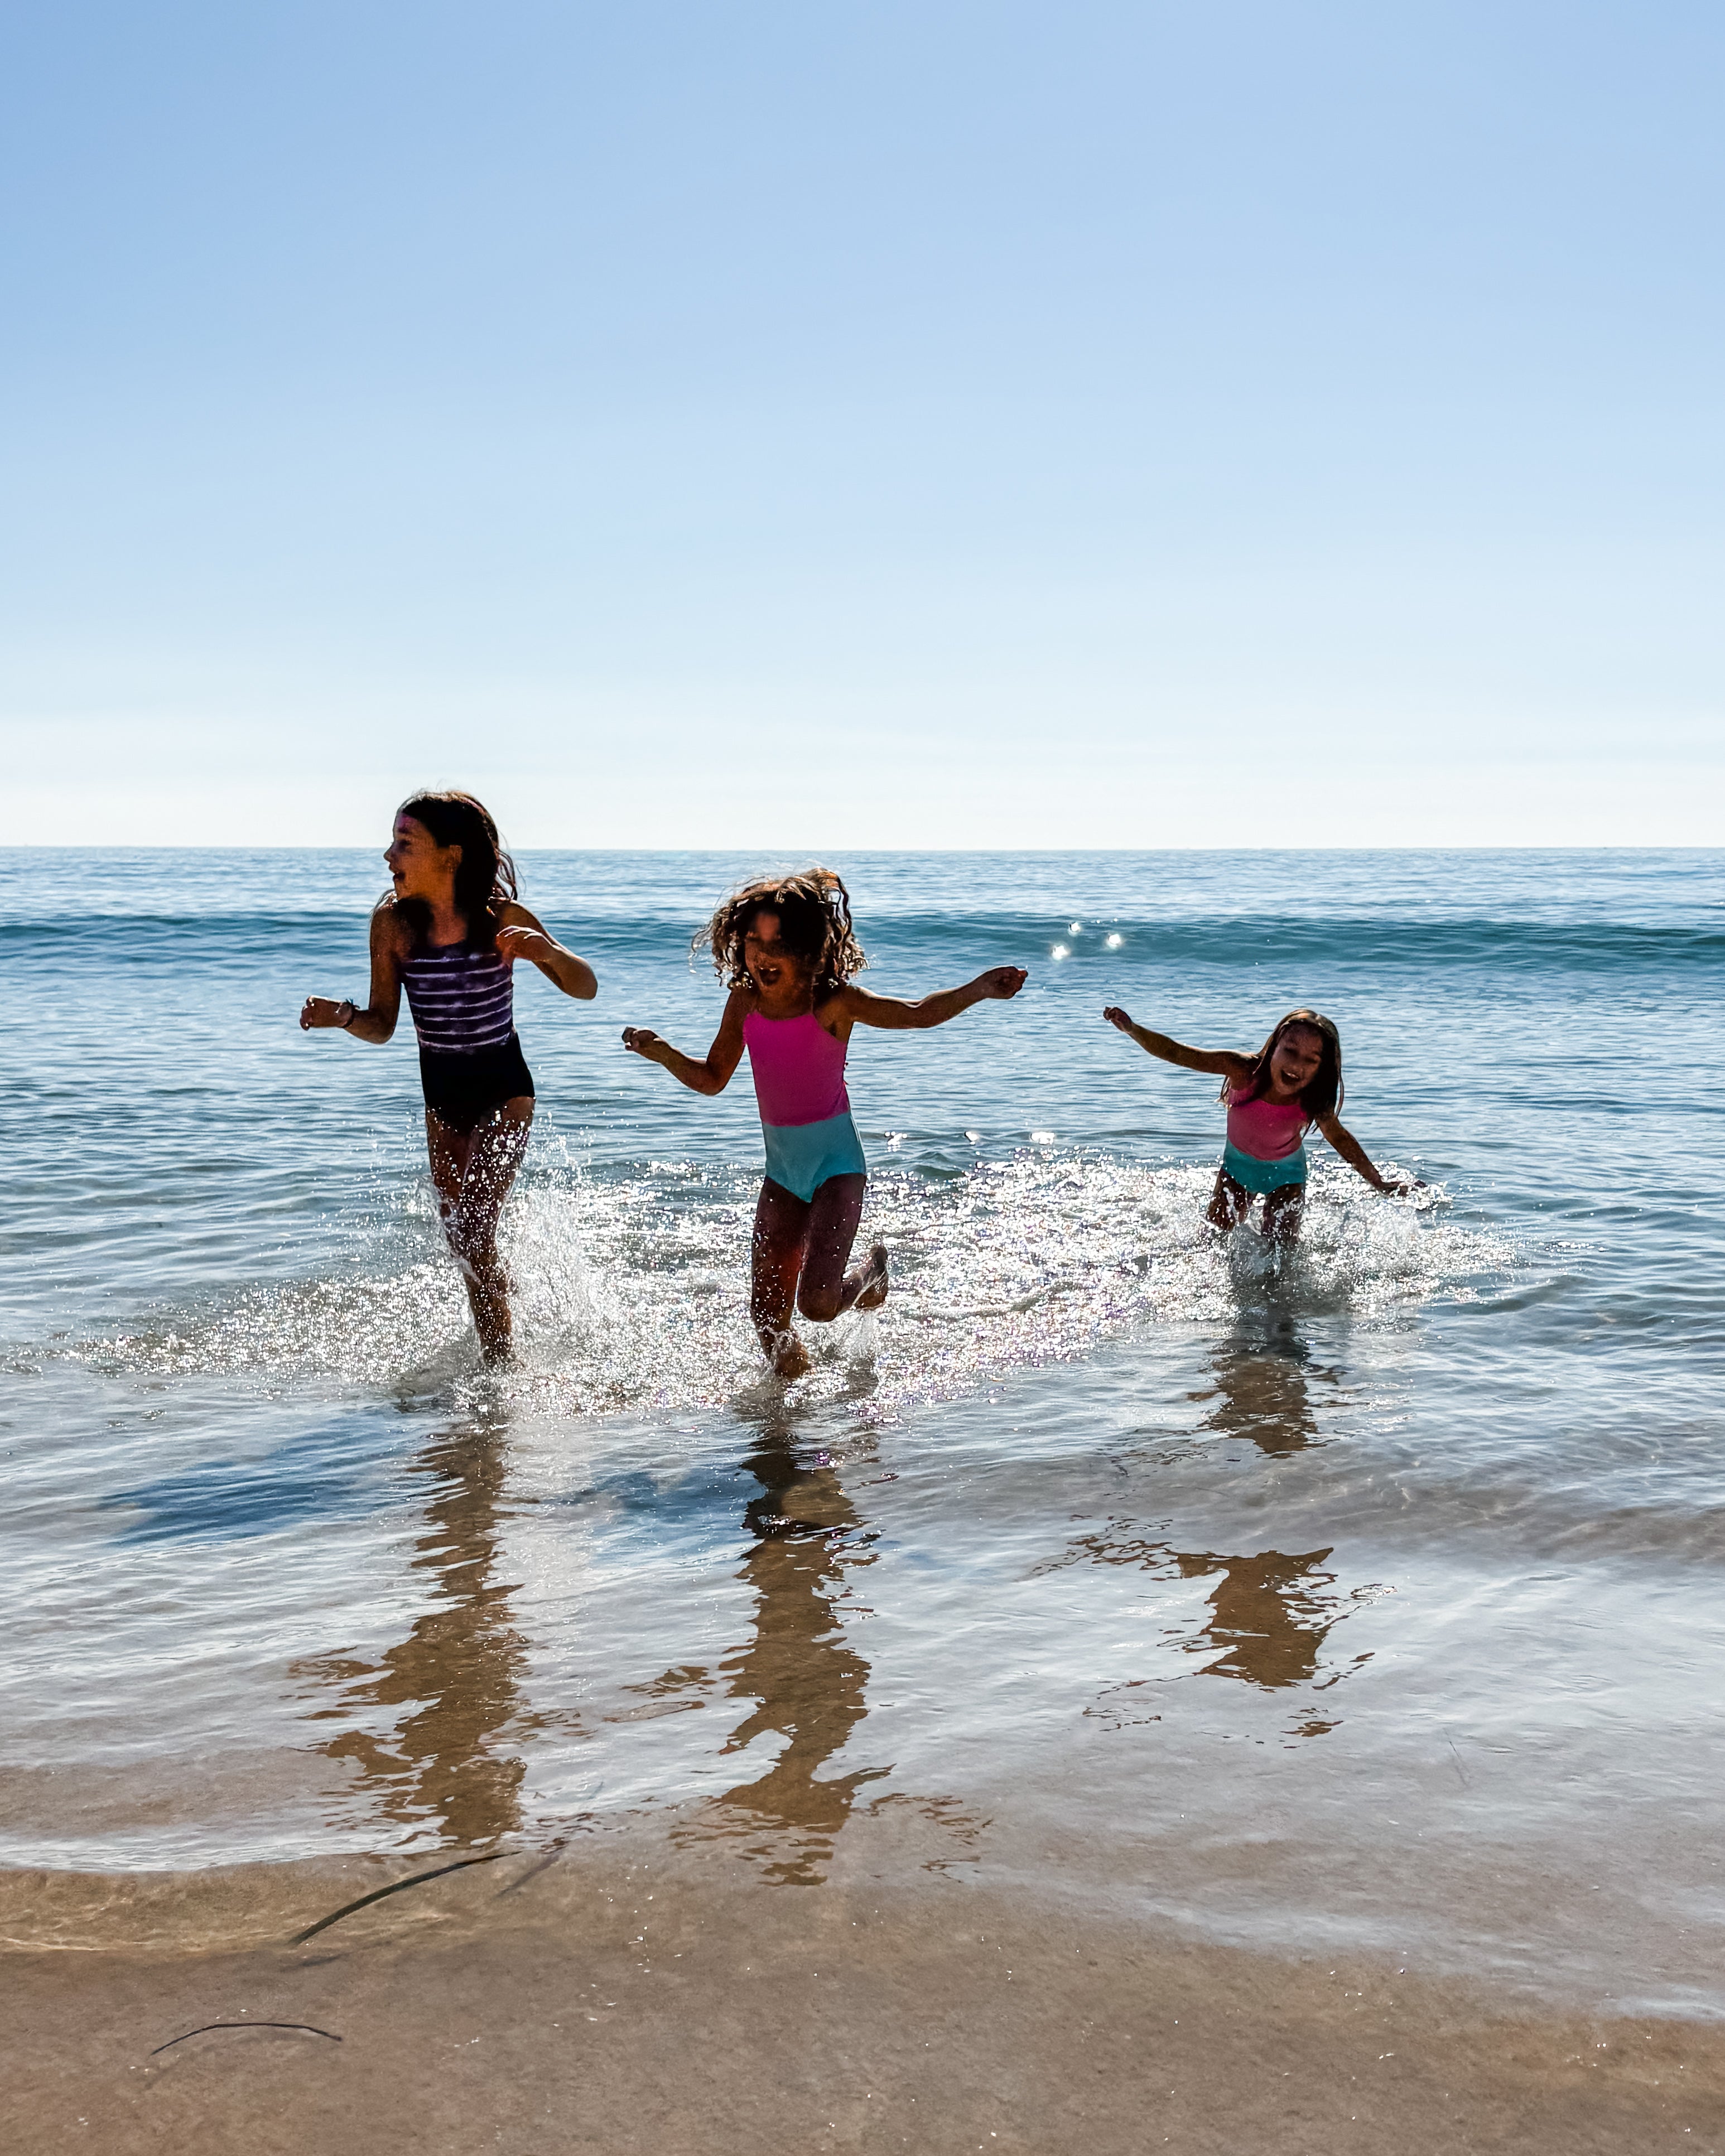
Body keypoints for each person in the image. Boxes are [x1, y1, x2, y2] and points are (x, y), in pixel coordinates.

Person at [622, 869, 1027, 1377]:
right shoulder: (744, 1003)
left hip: (837, 1168)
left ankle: (872, 1273)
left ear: (809, 950)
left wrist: (980, 988)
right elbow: (711, 1078)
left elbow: (918, 1012)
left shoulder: (833, 1003)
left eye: (777, 944)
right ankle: (784, 1424)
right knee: (768, 1318)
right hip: (783, 1174)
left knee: (815, 1303)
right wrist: (661, 1053)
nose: (761, 956)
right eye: (752, 942)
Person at [301, 790, 597, 1362]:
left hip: (503, 1091)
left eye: (404, 844)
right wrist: (342, 1017)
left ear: (451, 856)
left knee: (473, 1228)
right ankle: (498, 1336)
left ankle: (501, 1368)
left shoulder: (500, 921)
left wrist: (547, 953)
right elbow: (383, 1024)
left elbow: (585, 985)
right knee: (462, 1239)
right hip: (442, 1099)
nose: (389, 855)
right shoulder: (392, 926)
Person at [1102, 1004, 1415, 1243]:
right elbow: (1179, 1053)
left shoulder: (1313, 1100)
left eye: (1310, 1060)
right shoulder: (1243, 1071)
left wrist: (1380, 1183)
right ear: (1274, 1046)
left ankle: (1280, 1322)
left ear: (1322, 1068)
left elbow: (1342, 1141)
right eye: (1290, 1051)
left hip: (1287, 1179)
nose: (1296, 1065)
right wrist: (1133, 1030)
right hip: (1236, 1172)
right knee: (1213, 1242)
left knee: (1281, 1256)